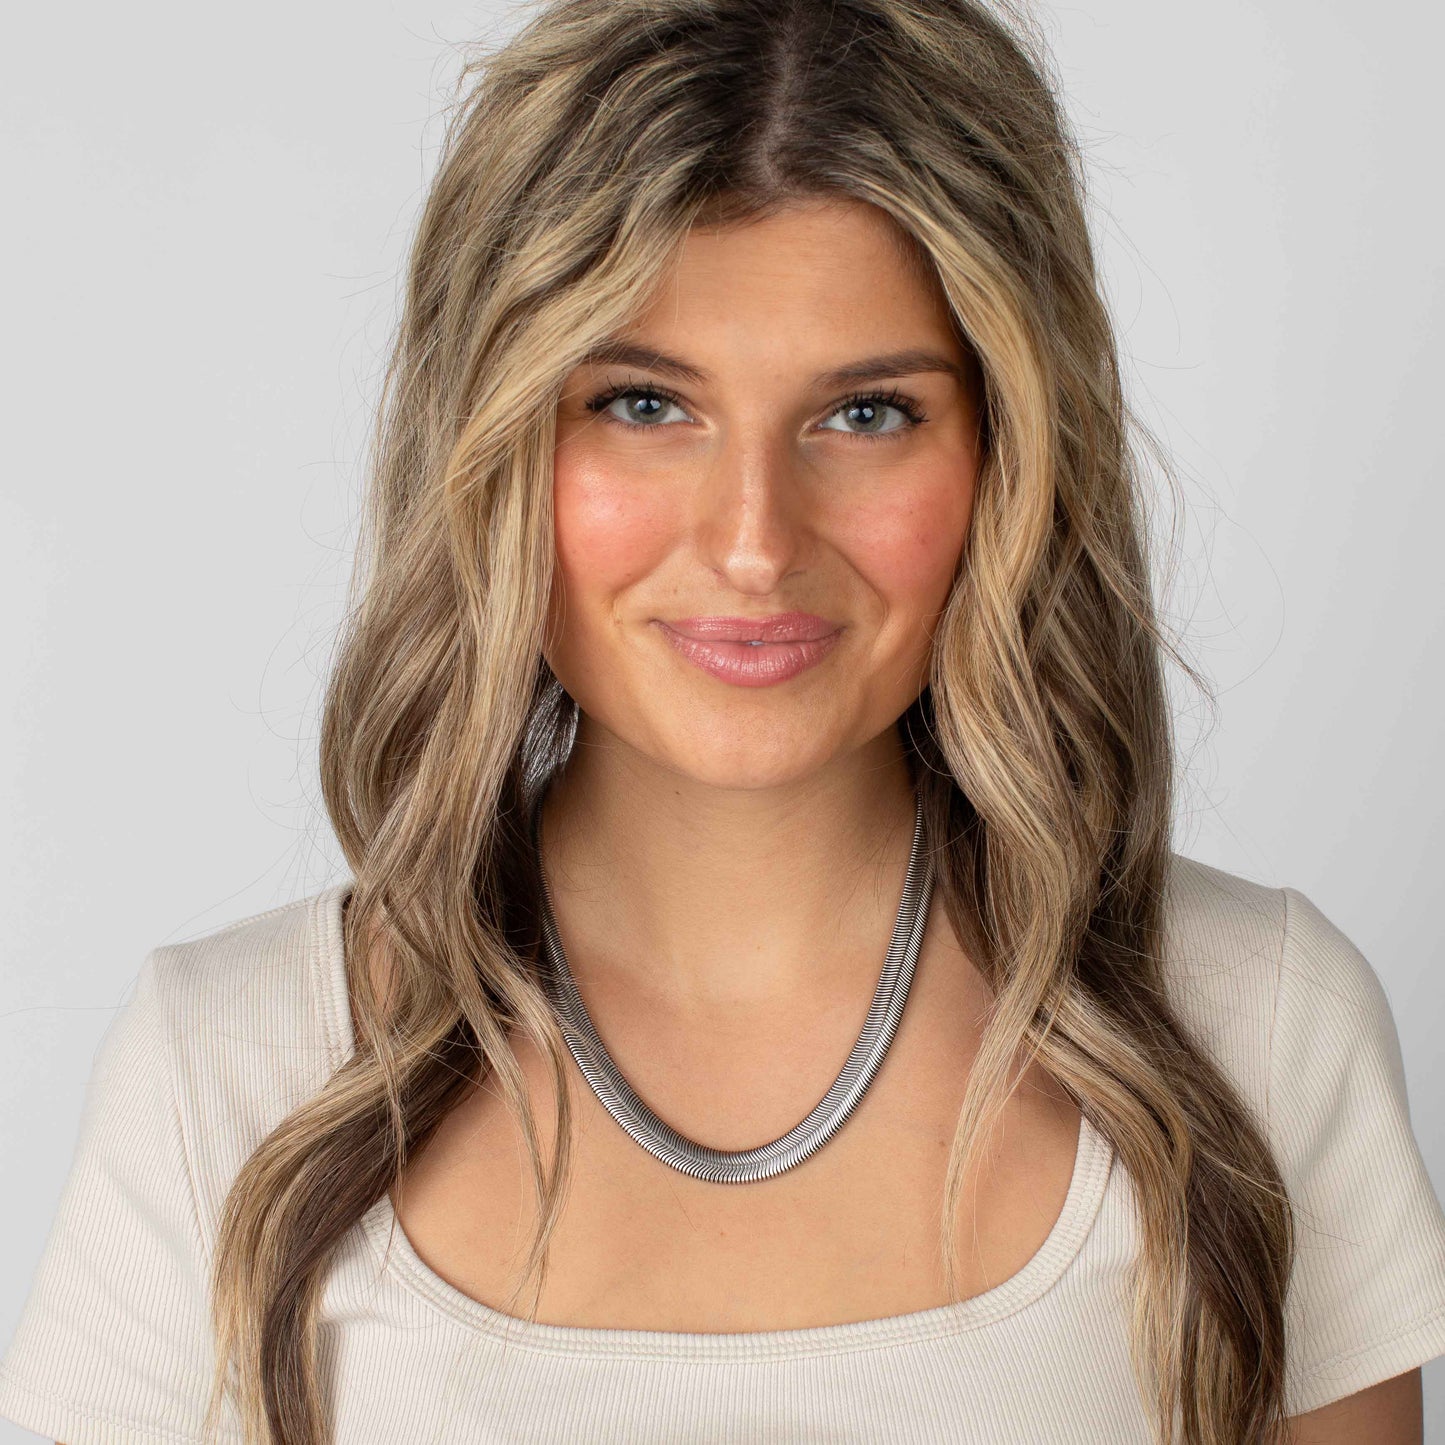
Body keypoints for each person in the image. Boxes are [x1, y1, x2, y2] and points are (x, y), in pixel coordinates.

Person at [3, 1, 1444, 1442]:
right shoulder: (228, 1073)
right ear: (494, 441)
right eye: (642, 402)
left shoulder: (1254, 1031)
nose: (755, 542)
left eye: (866, 414)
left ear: (1010, 455)